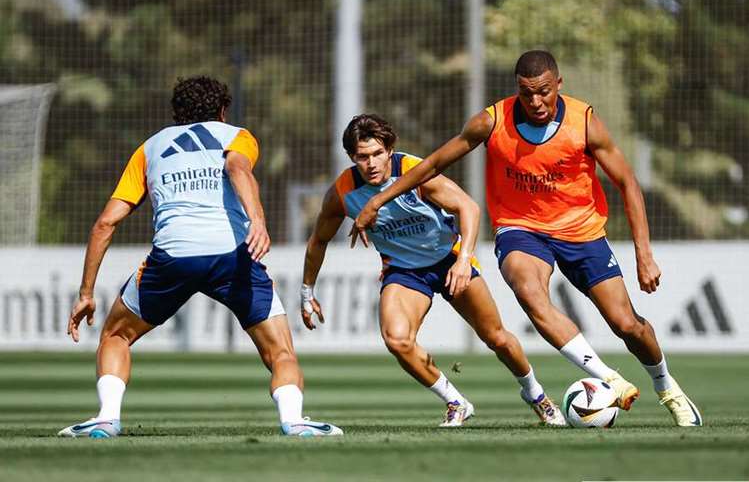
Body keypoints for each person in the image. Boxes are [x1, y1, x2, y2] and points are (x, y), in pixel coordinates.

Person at [350, 51, 702, 427]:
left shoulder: (584, 121)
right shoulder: (492, 120)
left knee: (627, 325)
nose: (535, 102)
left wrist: (643, 254)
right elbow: (432, 164)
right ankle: (610, 378)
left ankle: (668, 389)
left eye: (544, 92)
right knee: (531, 293)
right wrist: (379, 200)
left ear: (559, 85)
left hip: (582, 231)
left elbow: (628, 183)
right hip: (521, 229)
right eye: (526, 93)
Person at [59, 76, 342, 438]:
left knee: (115, 334)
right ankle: (295, 422)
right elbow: (237, 168)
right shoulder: (238, 136)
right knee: (280, 351)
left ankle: (106, 418)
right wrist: (258, 220)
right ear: (223, 111)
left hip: (173, 257)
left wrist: (86, 293)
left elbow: (105, 223)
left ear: (177, 113)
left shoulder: (149, 148)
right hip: (233, 257)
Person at [301, 113, 565, 427]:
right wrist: (307, 291)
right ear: (351, 157)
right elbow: (319, 240)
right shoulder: (344, 192)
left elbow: (468, 207)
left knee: (497, 338)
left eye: (377, 154)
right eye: (362, 157)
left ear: (390, 149)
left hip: (448, 259)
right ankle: (456, 401)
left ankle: (536, 395)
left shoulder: (415, 172)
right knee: (397, 340)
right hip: (404, 271)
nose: (371, 163)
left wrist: (464, 259)